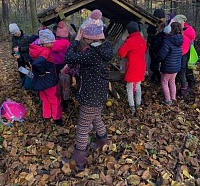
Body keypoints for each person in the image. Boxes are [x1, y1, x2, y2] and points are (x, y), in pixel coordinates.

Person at [64, 9, 113, 171]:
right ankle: (103, 141)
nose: (82, 39)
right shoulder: (105, 48)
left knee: (83, 127)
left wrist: (76, 39)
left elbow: (69, 57)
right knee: (96, 117)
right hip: (100, 94)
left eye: (84, 37)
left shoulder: (92, 54)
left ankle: (78, 160)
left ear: (89, 37)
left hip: (91, 96)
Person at [29, 29, 63, 126]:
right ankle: (57, 118)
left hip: (40, 81)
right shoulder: (45, 52)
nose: (53, 44)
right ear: (45, 42)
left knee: (45, 99)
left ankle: (46, 116)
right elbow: (37, 63)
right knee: (55, 98)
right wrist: (43, 72)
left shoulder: (35, 50)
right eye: (51, 42)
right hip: (48, 80)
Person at [118, 21, 147, 116]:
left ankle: (132, 107)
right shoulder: (142, 40)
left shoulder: (130, 41)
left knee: (129, 87)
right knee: (138, 85)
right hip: (141, 66)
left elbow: (121, 53)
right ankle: (138, 104)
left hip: (132, 67)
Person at [157, 22, 183, 105]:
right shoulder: (180, 39)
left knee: (164, 82)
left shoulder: (167, 41)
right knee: (172, 82)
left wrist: (157, 59)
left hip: (168, 66)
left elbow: (162, 55)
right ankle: (173, 97)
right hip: (176, 66)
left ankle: (168, 100)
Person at [173, 15, 196, 96]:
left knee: (182, 71)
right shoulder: (187, 30)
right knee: (184, 70)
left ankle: (185, 87)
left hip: (184, 54)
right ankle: (184, 86)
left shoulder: (185, 31)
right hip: (185, 53)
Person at [147, 9, 166, 83]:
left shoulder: (164, 27)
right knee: (153, 65)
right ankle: (155, 77)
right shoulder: (152, 25)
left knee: (154, 66)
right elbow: (150, 34)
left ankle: (159, 78)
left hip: (158, 49)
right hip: (153, 47)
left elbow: (160, 38)